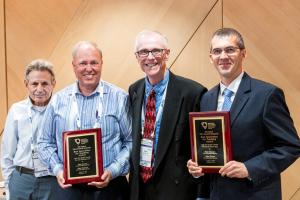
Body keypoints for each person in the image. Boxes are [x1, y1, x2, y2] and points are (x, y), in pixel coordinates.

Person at [187, 27, 300, 200]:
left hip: (254, 194)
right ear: (211, 58)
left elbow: (290, 146)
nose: (223, 56)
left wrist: (249, 168)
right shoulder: (206, 98)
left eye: (230, 50)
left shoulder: (267, 94)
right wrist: (198, 168)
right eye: (217, 51)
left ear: (243, 54)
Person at [37, 41, 132, 200]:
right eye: (83, 63)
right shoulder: (58, 100)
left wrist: (113, 170)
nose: (89, 68)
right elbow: (44, 142)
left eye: (94, 62)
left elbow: (131, 141)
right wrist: (58, 169)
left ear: (101, 63)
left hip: (111, 188)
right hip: (68, 190)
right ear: (74, 66)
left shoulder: (120, 98)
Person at [128, 30, 207, 200]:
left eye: (156, 51)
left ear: (167, 54)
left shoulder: (193, 92)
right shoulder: (134, 90)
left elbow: (202, 147)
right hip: (139, 188)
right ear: (137, 57)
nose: (150, 57)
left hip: (176, 190)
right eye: (143, 52)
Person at [1, 59, 58, 200]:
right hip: (21, 179)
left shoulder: (62, 110)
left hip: (52, 180)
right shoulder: (16, 110)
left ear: (53, 84)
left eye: (45, 83)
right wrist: (10, 184)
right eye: (34, 84)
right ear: (27, 84)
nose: (39, 89)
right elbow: (7, 152)